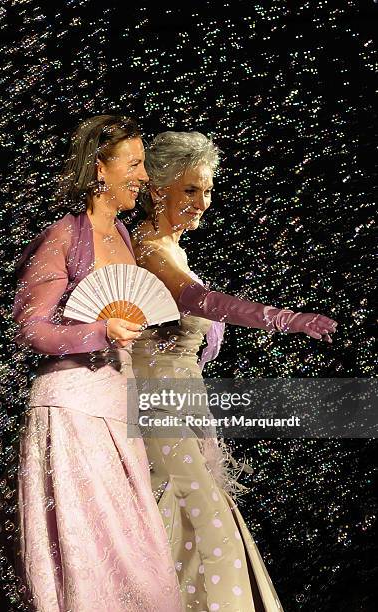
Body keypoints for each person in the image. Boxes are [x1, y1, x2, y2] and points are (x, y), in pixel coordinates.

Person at [130, 131, 338, 612]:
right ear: (158, 189)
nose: (204, 201)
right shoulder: (150, 250)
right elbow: (200, 302)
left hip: (181, 399)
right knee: (206, 524)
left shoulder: (169, 248)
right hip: (158, 402)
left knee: (187, 523)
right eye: (190, 189)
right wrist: (284, 318)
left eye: (208, 189)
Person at [12, 116, 182, 612]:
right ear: (99, 169)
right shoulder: (64, 236)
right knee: (95, 553)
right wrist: (97, 332)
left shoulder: (126, 237)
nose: (146, 176)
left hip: (116, 407)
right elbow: (31, 327)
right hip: (73, 410)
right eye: (134, 164)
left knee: (136, 548)